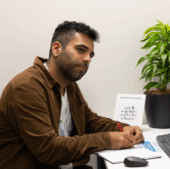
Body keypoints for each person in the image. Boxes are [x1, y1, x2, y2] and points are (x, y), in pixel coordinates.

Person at [0, 21, 144, 169]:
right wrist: (108, 140)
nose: (88, 59)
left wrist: (121, 128)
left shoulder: (69, 85)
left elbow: (88, 121)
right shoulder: (26, 87)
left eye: (90, 55)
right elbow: (48, 149)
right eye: (81, 50)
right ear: (57, 49)